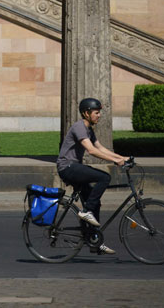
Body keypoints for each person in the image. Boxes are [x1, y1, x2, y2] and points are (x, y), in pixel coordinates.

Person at [57, 97, 129, 255]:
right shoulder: (79, 127)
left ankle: (94, 240)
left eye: (99, 112)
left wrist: (122, 158)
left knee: (96, 203)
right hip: (67, 168)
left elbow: (100, 147)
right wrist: (116, 161)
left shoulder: (89, 129)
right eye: (96, 112)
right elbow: (92, 150)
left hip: (75, 167)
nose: (99, 115)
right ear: (86, 113)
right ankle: (86, 211)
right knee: (104, 177)